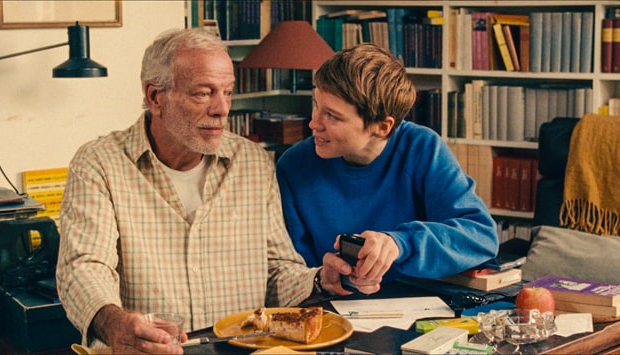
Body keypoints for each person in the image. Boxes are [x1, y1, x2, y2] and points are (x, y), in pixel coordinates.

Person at [56, 28, 370, 355]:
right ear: (154, 97)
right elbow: (84, 267)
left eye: (228, 93)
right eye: (204, 93)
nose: (222, 109)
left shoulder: (252, 162)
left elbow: (278, 271)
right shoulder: (98, 164)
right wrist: (115, 323)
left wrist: (321, 278)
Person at [276, 43, 499, 289]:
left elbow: (481, 237)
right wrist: (322, 277)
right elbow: (289, 269)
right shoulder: (293, 165)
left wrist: (399, 243)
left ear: (382, 127)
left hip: (418, 303)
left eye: (333, 116)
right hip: (331, 307)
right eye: (316, 104)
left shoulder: (422, 148)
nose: (314, 123)